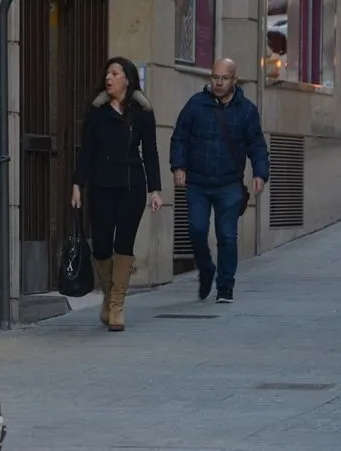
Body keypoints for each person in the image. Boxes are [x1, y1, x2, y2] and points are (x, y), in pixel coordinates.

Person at [71, 56, 162, 332]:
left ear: (127, 79)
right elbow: (86, 150)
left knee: (124, 244)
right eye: (107, 73)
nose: (108, 78)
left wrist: (155, 189)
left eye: (115, 73)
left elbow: (151, 151)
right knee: (101, 245)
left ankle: (117, 304)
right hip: (101, 185)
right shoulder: (97, 112)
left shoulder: (143, 112)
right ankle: (109, 294)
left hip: (132, 186)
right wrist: (78, 184)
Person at [169, 58, 269, 304]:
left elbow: (257, 144)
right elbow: (179, 136)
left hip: (229, 184)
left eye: (224, 78)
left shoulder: (246, 110)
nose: (219, 82)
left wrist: (260, 173)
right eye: (215, 77)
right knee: (196, 229)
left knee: (227, 236)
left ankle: (225, 286)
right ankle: (205, 268)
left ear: (234, 80)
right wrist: (178, 166)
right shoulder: (195, 104)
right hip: (198, 183)